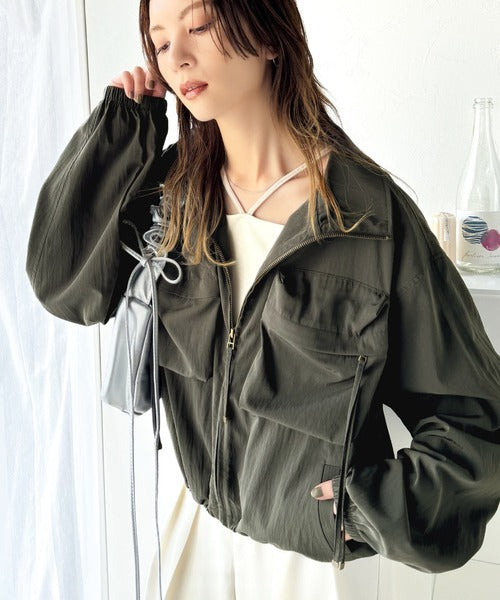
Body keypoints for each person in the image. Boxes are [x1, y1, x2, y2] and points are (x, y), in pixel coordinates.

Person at [26, 0, 500, 597]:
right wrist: (123, 130)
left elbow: (476, 420)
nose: (178, 57)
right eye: (161, 42)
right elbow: (66, 285)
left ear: (270, 36)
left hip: (307, 566)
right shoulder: (171, 199)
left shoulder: (368, 219)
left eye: (199, 26)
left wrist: (360, 511)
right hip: (190, 532)